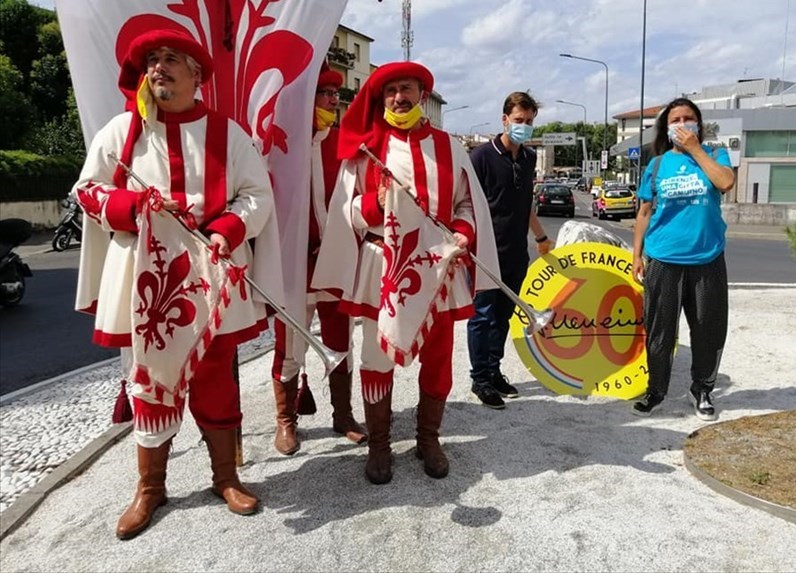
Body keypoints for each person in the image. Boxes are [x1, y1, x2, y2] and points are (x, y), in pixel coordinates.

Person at [73, 29, 281, 539]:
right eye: (151, 61)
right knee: (150, 381)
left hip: (211, 277)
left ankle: (226, 478)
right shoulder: (120, 131)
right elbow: (87, 190)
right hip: (144, 280)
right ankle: (150, 488)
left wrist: (224, 231)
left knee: (215, 377)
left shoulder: (228, 134)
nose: (158, 68)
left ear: (197, 75)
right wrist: (131, 207)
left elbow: (256, 195)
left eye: (170, 59)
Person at [313, 61, 499, 484]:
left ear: (422, 96)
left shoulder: (448, 146)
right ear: (382, 98)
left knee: (437, 361)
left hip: (439, 269)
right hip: (384, 268)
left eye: (408, 89)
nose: (400, 97)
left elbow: (466, 205)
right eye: (392, 90)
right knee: (377, 356)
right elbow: (344, 214)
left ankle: (428, 438)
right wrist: (375, 204)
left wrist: (465, 232)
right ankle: (379, 443)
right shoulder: (365, 148)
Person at [271, 62, 367, 455]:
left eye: (335, 96)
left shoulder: (345, 143)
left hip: (333, 263)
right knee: (289, 348)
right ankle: (285, 420)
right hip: (293, 267)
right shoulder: (281, 144)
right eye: (325, 94)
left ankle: (342, 415)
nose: (333, 101)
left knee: (339, 340)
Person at [631, 97, 735, 421]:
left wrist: (696, 150)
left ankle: (701, 389)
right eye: (675, 119)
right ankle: (656, 389)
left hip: (707, 258)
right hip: (663, 258)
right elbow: (644, 212)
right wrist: (636, 255)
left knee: (708, 328)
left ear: (699, 124)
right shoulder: (658, 164)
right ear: (666, 127)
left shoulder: (715, 155)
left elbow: (726, 182)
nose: (682, 124)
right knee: (660, 329)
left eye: (688, 118)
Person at [466, 92, 553, 409]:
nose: (524, 127)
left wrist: (541, 237)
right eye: (519, 121)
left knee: (503, 316)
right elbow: (466, 204)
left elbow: (525, 203)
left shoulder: (529, 159)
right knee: (482, 317)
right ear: (504, 119)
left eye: (529, 122)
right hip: (486, 254)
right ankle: (480, 379)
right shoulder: (481, 158)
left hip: (517, 253)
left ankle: (494, 370)